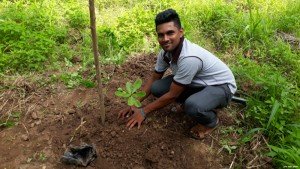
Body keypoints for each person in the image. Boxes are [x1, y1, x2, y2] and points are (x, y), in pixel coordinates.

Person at [118, 8, 236, 139]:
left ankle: (211, 121)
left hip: (222, 87)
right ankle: (200, 99)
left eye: (170, 33)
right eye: (161, 35)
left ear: (181, 32)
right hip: (198, 82)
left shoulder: (189, 58)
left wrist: (143, 111)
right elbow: (154, 78)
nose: (165, 39)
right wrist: (135, 102)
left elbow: (173, 95)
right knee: (156, 87)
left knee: (192, 106)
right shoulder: (165, 53)